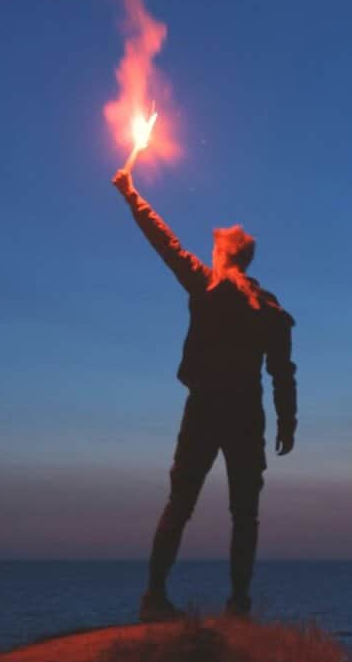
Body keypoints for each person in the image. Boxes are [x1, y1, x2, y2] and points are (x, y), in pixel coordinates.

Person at [112, 167, 296, 621]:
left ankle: (154, 597)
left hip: (205, 411)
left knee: (182, 503)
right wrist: (287, 422)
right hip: (246, 417)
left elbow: (164, 242)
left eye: (214, 247)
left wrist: (131, 195)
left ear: (224, 255)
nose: (209, 252)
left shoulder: (207, 285)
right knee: (245, 514)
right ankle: (239, 605)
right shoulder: (269, 309)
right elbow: (282, 374)